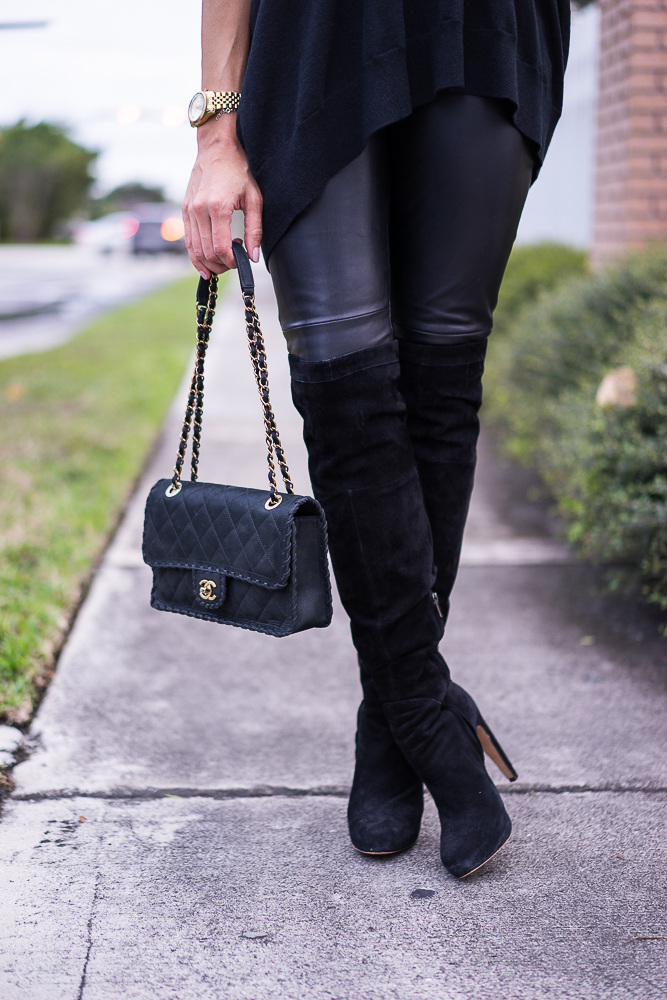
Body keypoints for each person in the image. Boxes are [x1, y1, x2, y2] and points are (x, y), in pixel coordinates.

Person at [182, 0, 570, 878]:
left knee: (440, 385)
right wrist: (215, 132)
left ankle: (387, 717)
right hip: (314, 39)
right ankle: (427, 715)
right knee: (344, 392)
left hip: (485, 28)